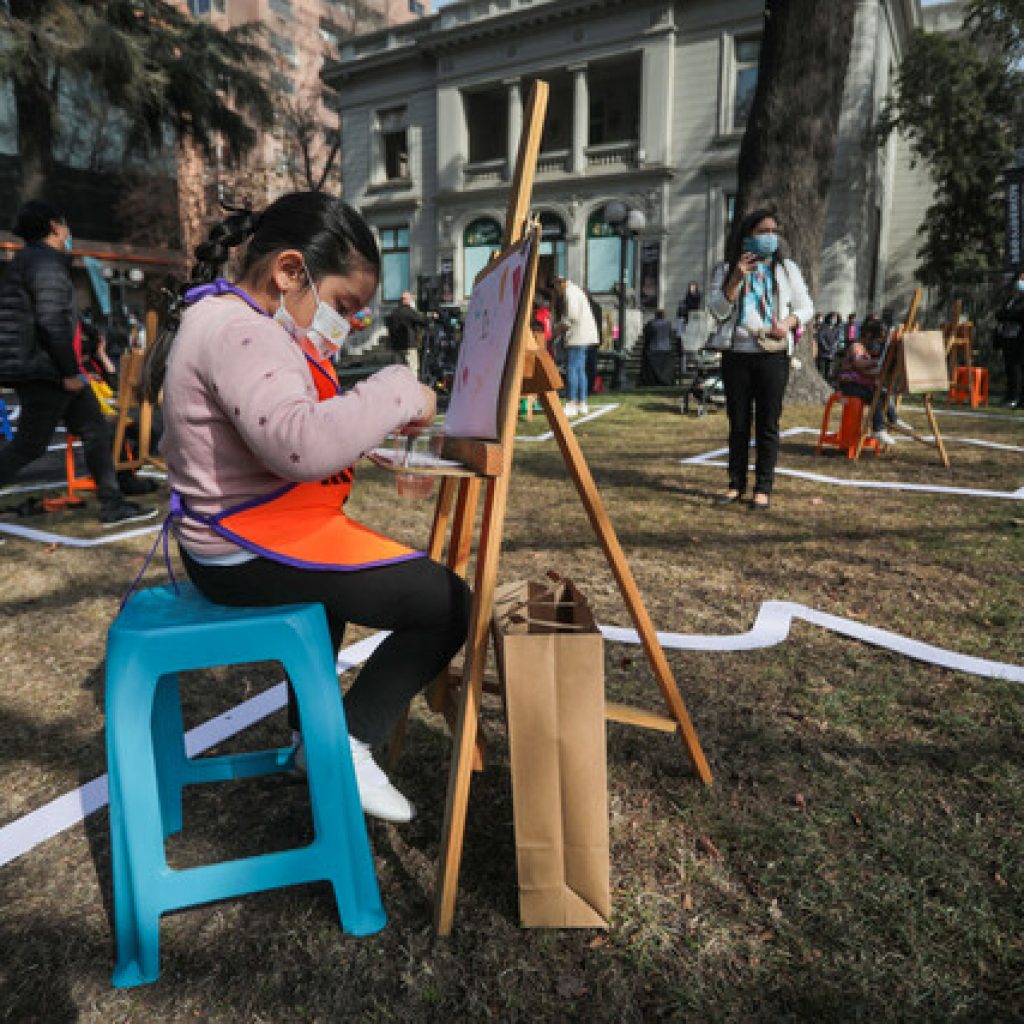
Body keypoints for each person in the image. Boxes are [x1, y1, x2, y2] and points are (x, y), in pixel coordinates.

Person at [150, 192, 471, 823]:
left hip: (229, 540)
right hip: (242, 550)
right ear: (290, 271)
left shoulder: (225, 317)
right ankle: (344, 742)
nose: (346, 324)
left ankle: (309, 738)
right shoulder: (243, 331)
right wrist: (397, 389)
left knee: (330, 588)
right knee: (448, 604)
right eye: (343, 306)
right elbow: (300, 445)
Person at [0, 200, 154, 524]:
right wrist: (69, 372)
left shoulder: (28, 261)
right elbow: (51, 321)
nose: (68, 232)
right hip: (46, 371)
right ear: (54, 226)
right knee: (30, 445)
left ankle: (113, 502)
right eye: (65, 224)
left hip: (42, 367)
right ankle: (113, 501)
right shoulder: (44, 264)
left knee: (95, 429)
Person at [707, 207, 814, 510]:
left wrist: (788, 323)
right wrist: (736, 278)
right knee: (738, 423)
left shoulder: (786, 269)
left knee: (768, 423)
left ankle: (763, 487)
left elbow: (806, 306)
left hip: (773, 355)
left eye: (773, 232)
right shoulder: (726, 268)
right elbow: (717, 310)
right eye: (762, 232)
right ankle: (735, 484)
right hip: (737, 355)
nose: (769, 237)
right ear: (747, 235)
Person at [837, 315, 897, 446]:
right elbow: (858, 364)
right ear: (868, 335)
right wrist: (876, 362)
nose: (876, 344)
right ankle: (878, 429)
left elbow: (866, 372)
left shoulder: (865, 351)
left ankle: (893, 419)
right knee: (874, 397)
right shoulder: (856, 346)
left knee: (883, 394)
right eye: (875, 340)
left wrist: (882, 368)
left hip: (860, 385)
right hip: (850, 385)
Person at [551, 275, 600, 416]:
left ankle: (571, 402)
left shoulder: (570, 292)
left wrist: (556, 332)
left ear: (560, 284)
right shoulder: (576, 291)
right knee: (580, 370)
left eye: (555, 287)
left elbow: (571, 317)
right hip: (584, 336)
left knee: (572, 369)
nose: (556, 291)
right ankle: (582, 402)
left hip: (577, 336)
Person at [993, 268, 1024, 408]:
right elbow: (1000, 314)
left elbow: (1018, 316)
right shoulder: (1011, 299)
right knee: (1009, 368)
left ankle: (1016, 397)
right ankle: (1009, 395)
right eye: (1020, 279)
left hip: (1019, 339)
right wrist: (1005, 315)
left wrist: (1006, 315)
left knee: (1017, 368)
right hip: (1007, 337)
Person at [384, 290, 427, 380]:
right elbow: (423, 320)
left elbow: (388, 324)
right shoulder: (409, 311)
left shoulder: (394, 312)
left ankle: (400, 387)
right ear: (407, 300)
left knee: (398, 370)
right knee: (412, 369)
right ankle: (412, 387)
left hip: (396, 346)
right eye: (411, 299)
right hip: (409, 345)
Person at [639, 308, 676, 386]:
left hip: (654, 349)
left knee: (652, 368)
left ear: (656, 315)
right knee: (665, 368)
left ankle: (653, 381)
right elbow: (670, 335)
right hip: (666, 349)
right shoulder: (668, 324)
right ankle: (665, 381)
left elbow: (647, 336)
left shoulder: (651, 323)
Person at [816, 311, 844, 384]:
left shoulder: (837, 329)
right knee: (821, 370)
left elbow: (838, 339)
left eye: (835, 318)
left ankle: (827, 383)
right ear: (829, 318)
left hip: (832, 353)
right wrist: (826, 347)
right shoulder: (823, 327)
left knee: (829, 371)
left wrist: (833, 347)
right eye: (832, 318)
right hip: (823, 352)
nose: (834, 320)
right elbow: (820, 338)